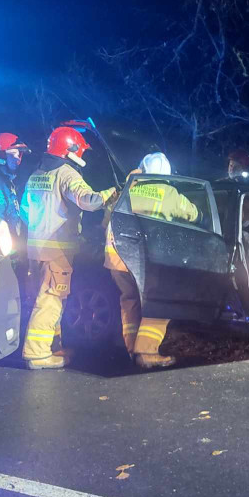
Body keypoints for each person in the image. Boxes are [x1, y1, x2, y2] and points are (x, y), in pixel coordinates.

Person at [19, 124, 116, 370]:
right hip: (57, 249)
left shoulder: (37, 174)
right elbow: (89, 201)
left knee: (44, 297)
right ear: (70, 149)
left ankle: (51, 345)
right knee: (51, 300)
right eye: (80, 150)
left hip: (35, 248)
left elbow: (25, 211)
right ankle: (37, 354)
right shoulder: (66, 174)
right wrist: (111, 193)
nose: (82, 155)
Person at [104, 152, 200, 369]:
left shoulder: (126, 190)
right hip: (145, 262)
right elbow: (194, 215)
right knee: (160, 303)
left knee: (129, 301)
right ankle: (146, 352)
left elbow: (106, 221)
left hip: (116, 259)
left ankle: (131, 350)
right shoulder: (169, 193)